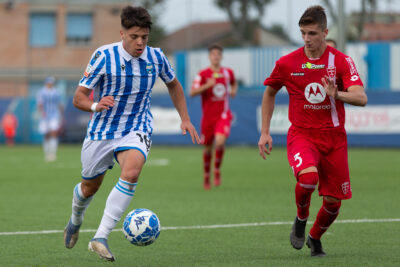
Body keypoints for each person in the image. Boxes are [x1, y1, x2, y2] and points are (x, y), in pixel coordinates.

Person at [63, 5, 200, 262]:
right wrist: (95, 105)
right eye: (134, 36)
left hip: (136, 128)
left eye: (144, 37)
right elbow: (78, 97)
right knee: (89, 188)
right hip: (102, 131)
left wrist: (186, 119)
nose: (140, 43)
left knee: (132, 171)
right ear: (122, 33)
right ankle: (75, 219)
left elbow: (174, 84)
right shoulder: (104, 55)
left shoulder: (156, 57)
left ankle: (100, 237)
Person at [258, 6, 367, 257]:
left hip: (334, 138)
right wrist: (265, 132)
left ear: (325, 32)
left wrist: (336, 94)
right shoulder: (287, 63)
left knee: (333, 203)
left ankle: (315, 237)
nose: (306, 39)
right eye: (303, 33)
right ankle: (301, 218)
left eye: (312, 33)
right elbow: (270, 91)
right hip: (302, 135)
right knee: (308, 179)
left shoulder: (340, 61)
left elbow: (361, 97)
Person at [190, 44, 238, 190]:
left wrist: (233, 91)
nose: (216, 56)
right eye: (213, 54)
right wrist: (207, 86)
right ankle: (206, 175)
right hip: (208, 117)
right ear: (209, 57)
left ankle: (216, 170)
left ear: (221, 56)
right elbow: (192, 92)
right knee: (208, 149)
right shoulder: (203, 74)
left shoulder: (228, 72)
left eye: (218, 54)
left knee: (220, 141)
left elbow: (234, 83)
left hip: (223, 115)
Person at [37, 76, 63, 162]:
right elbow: (40, 103)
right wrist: (42, 113)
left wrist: (61, 114)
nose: (50, 84)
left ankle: (53, 153)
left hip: (54, 115)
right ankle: (47, 153)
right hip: (45, 116)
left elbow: (59, 104)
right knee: (46, 134)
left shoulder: (56, 92)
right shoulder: (41, 92)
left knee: (54, 133)